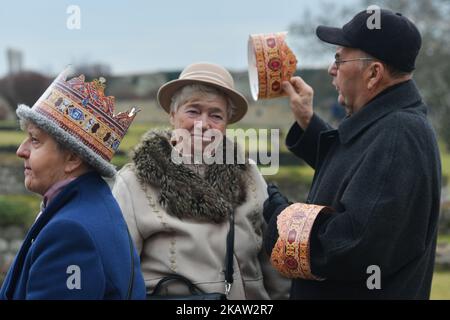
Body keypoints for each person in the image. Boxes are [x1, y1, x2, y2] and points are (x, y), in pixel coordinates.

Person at [263, 9, 441, 299]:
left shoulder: (398, 135)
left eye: (339, 59)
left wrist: (281, 218)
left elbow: (349, 246)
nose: (331, 70)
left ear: (373, 73)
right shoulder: (390, 125)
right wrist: (308, 121)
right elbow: (359, 175)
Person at [112, 62, 290, 299]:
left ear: (226, 123)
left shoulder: (249, 174)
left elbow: (272, 262)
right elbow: (119, 275)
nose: (204, 123)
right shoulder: (134, 182)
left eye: (216, 115)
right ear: (172, 115)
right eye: (193, 111)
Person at [0, 69, 146, 299]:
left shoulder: (70, 232)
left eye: (35, 140)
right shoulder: (94, 205)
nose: (21, 150)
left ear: (72, 158)